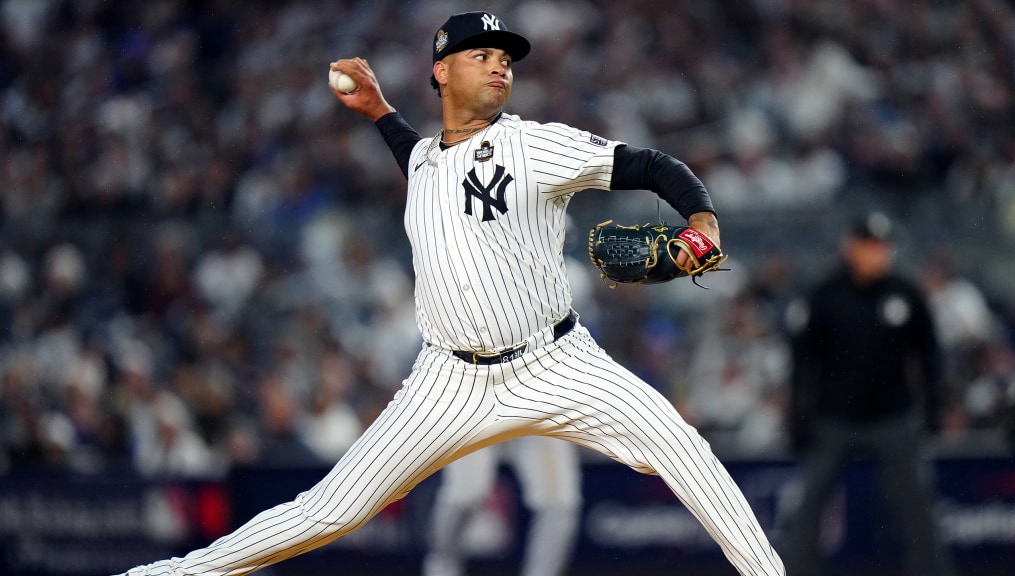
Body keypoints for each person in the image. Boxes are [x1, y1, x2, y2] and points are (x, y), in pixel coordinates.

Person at [113, 11, 784, 576]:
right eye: (481, 56)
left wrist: (701, 219)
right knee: (330, 511)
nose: (500, 68)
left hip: (556, 361)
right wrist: (379, 110)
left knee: (680, 446)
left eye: (505, 60)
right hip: (448, 379)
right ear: (441, 71)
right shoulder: (425, 160)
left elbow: (651, 165)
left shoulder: (533, 146)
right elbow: (418, 156)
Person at [782, 210, 956, 576]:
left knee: (917, 504)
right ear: (850, 247)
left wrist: (932, 408)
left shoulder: (904, 293)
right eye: (868, 245)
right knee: (809, 503)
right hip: (834, 418)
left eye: (881, 246)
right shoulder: (826, 295)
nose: (876, 253)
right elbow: (802, 361)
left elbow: (929, 354)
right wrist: (798, 418)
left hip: (891, 417)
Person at [423, 437, 580, 576]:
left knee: (559, 504)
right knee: (466, 495)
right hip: (479, 418)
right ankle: (442, 566)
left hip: (533, 419)